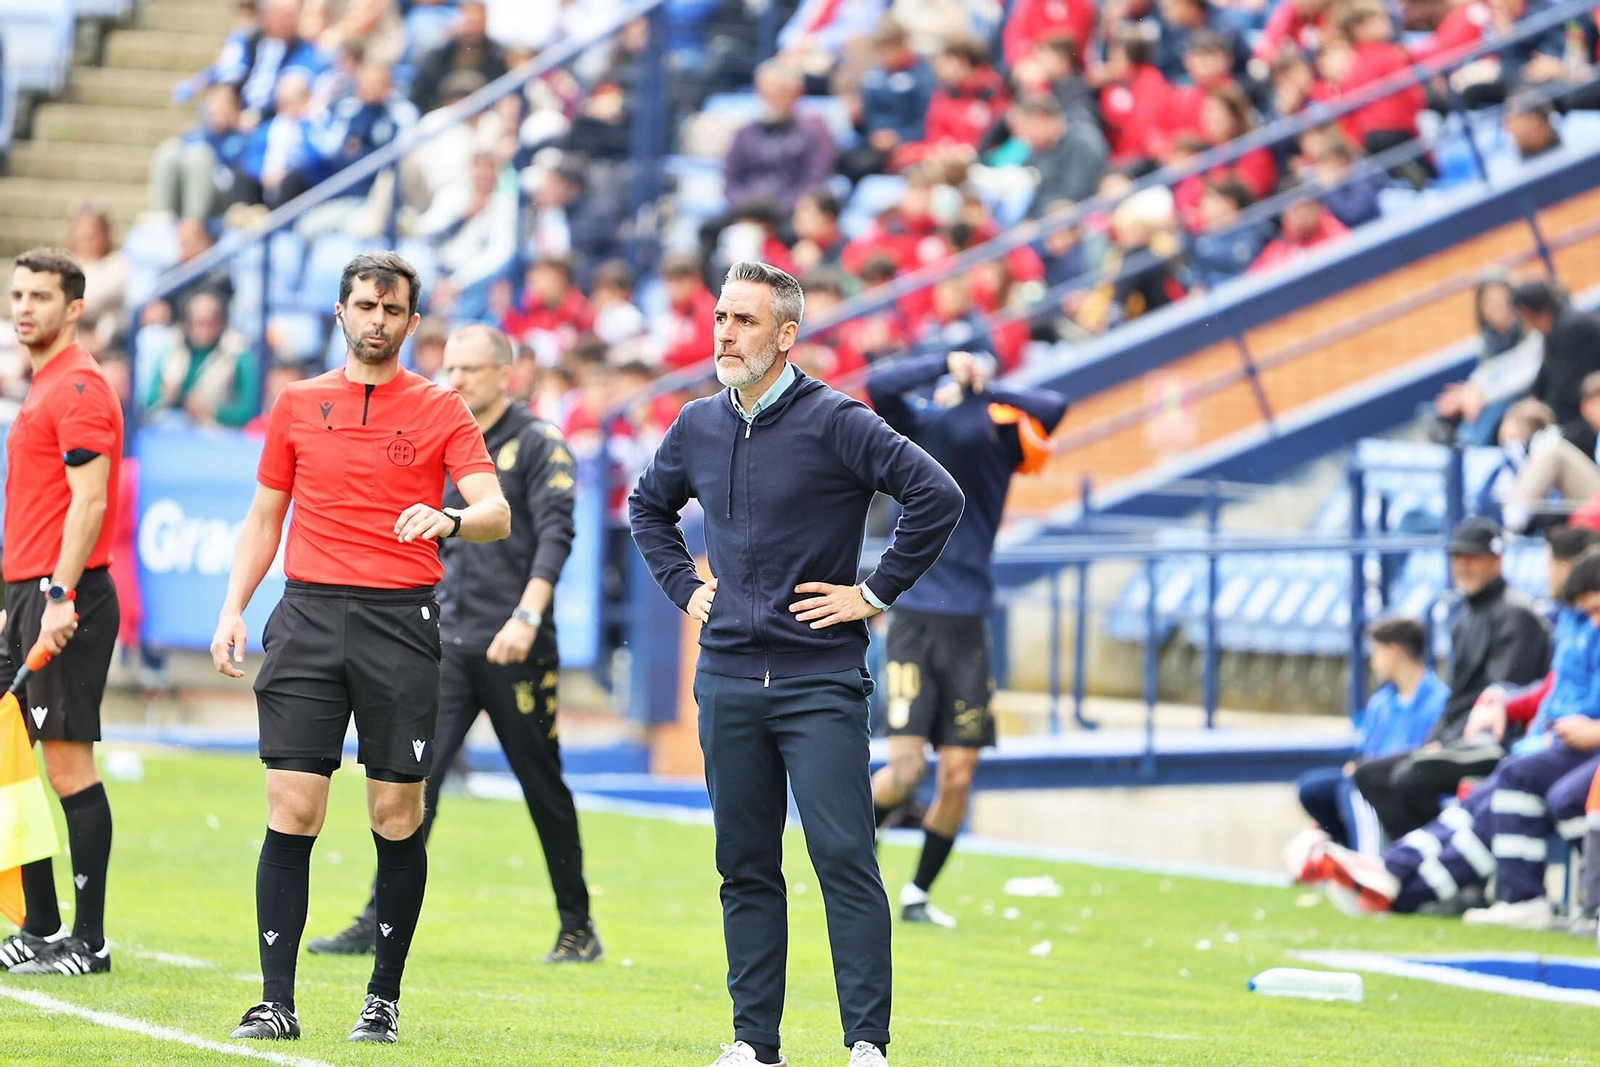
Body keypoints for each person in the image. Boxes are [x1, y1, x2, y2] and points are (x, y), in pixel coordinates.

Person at [628, 262, 965, 1067]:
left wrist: (875, 592)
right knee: (744, 864)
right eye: (719, 318)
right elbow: (647, 506)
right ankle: (754, 1043)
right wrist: (685, 585)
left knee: (844, 856)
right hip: (728, 678)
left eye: (743, 321)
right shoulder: (699, 424)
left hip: (820, 681)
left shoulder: (839, 421)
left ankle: (867, 1045)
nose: (724, 333)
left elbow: (936, 495)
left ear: (786, 336)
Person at [209, 252, 511, 1044]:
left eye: (393, 308)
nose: (378, 319)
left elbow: (496, 510)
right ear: (340, 313)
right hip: (306, 618)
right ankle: (276, 1001)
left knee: (395, 811)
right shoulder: (297, 404)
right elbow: (263, 517)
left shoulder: (444, 407)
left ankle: (382, 996)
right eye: (365, 305)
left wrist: (446, 519)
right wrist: (233, 607)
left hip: (398, 622)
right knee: (294, 806)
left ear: (413, 322)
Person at [307, 324, 600, 963]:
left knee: (540, 782)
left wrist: (528, 615)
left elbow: (556, 536)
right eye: (449, 368)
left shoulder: (538, 442)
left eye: (470, 369)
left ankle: (577, 926)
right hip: (442, 639)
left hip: (513, 641)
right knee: (415, 779)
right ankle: (378, 917)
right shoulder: (438, 437)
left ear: (506, 372)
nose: (457, 380)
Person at [865, 350, 1068, 926]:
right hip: (914, 617)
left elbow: (1055, 407)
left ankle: (917, 895)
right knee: (905, 773)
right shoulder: (923, 427)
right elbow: (881, 381)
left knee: (958, 776)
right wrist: (942, 366)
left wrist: (984, 384)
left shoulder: (998, 437)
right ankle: (860, 852)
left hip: (969, 623)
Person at [1293, 546, 1600, 926]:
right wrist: (1506, 702)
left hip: (1533, 745)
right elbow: (1549, 689)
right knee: (1471, 804)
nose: (1594, 621)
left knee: (1487, 781)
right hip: (1535, 742)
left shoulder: (1525, 617)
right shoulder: (1475, 619)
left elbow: (1566, 696)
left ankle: (1400, 876)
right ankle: (1391, 880)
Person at [0, 249, 123, 977]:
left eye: (40, 296)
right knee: (18, 760)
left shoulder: (78, 384)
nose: (24, 307)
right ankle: (42, 925)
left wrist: (58, 596)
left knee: (68, 764)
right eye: (17, 294)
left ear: (74, 307)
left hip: (63, 594)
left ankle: (91, 938)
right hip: (26, 591)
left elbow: (92, 501)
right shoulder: (40, 384)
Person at [1352, 517, 1551, 839]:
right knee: (1369, 775)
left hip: (1495, 743)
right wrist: (1435, 740)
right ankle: (1424, 868)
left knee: (1409, 776)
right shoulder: (1463, 618)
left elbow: (1498, 698)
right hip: (1459, 736)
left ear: (1497, 560)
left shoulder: (1516, 614)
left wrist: (1446, 743)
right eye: (1457, 558)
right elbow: (1457, 699)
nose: (1462, 566)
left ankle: (1446, 870)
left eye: (1472, 557)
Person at [1294, 617, 1447, 855]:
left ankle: (1369, 865)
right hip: (1369, 781)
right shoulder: (1381, 702)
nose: (1373, 661)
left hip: (1406, 791)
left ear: (1394, 652)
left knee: (1355, 786)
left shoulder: (1439, 700)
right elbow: (1366, 753)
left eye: (1377, 651)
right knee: (1312, 790)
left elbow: (1427, 756)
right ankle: (1345, 857)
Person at [141, 292, 261, 430]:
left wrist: (213, 411)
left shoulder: (238, 352)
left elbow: (250, 410)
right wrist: (166, 395)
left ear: (221, 323)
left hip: (219, 436)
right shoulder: (172, 347)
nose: (201, 330)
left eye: (208, 323)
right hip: (174, 431)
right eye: (196, 322)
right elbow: (150, 399)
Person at [1516, 279, 1600, 440]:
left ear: (1525, 312)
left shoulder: (1571, 328)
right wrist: (1531, 402)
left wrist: (1542, 411)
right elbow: (1545, 375)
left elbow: (1567, 390)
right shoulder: (1554, 329)